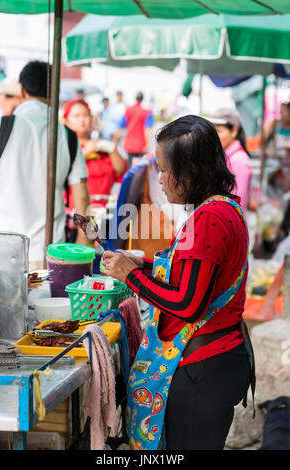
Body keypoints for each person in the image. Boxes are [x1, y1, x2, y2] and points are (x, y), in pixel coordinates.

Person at [101, 115, 253, 450]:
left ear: (192, 171)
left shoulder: (210, 219)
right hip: (215, 361)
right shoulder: (221, 208)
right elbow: (196, 269)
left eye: (165, 170)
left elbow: (187, 303)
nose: (161, 180)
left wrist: (131, 274)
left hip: (204, 367)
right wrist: (146, 262)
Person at [0, 61, 89, 270]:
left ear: (23, 90)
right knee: (44, 302)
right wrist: (84, 241)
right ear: (54, 90)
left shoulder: (1, 126)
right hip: (49, 251)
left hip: (2, 248)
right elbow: (81, 195)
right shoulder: (68, 136)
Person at [63, 97, 126, 208]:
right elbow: (62, 170)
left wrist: (113, 150)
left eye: (86, 115)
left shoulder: (100, 147)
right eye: (77, 116)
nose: (82, 120)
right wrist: (87, 151)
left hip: (103, 214)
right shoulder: (63, 146)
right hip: (75, 216)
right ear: (66, 120)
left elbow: (120, 171)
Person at [209, 108, 253, 216]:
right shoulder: (227, 156)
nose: (214, 136)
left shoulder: (238, 160)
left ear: (234, 131)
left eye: (219, 131)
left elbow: (236, 204)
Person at [119, 91, 154, 168]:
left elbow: (122, 125)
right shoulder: (147, 112)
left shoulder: (128, 110)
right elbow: (147, 130)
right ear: (142, 99)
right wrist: (148, 145)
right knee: (139, 170)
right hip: (141, 146)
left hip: (129, 144)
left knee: (129, 167)